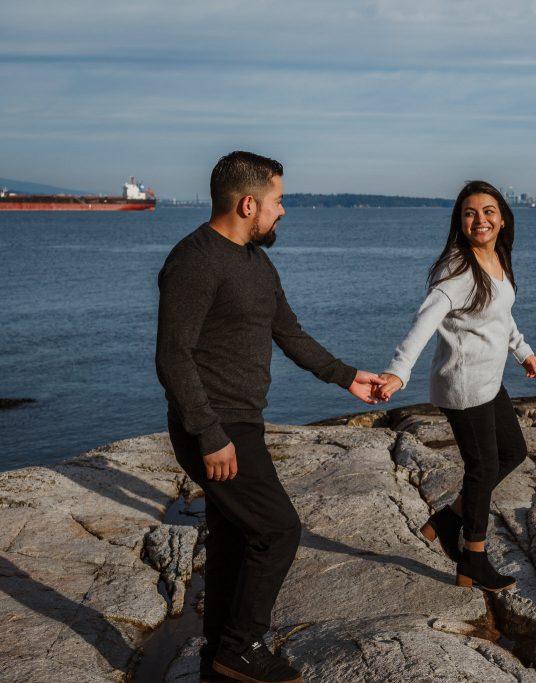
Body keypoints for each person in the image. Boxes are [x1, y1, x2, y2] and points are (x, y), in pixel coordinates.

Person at [156, 151, 384, 683]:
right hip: (213, 427)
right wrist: (209, 435)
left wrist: (347, 377)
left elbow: (290, 334)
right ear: (248, 202)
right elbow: (173, 356)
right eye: (279, 202)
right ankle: (241, 645)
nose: (283, 212)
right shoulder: (194, 260)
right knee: (279, 530)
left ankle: (219, 649)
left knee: (235, 535)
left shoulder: (257, 262)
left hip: (243, 422)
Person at [376, 179, 536, 592]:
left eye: (488, 212)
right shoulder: (457, 269)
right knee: (483, 467)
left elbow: (502, 315)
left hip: (489, 380)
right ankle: (473, 558)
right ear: (460, 222)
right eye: (470, 213)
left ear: (502, 219)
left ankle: (447, 520)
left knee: (514, 452)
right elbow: (425, 322)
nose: (479, 220)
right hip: (462, 384)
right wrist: (399, 370)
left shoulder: (497, 261)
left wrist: (522, 351)